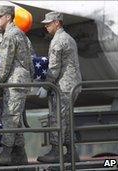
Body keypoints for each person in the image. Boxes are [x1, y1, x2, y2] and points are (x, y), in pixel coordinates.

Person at [0, 5, 34, 165]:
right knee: (16, 119)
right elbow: (30, 60)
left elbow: (6, 62)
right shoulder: (21, 34)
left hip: (14, 81)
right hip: (21, 81)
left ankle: (6, 154)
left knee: (10, 118)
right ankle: (20, 156)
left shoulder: (10, 35)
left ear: (8, 17)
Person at [37, 11, 82, 163]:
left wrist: (46, 86)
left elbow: (54, 68)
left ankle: (56, 152)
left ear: (57, 23)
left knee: (57, 118)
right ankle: (71, 152)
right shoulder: (67, 38)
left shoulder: (58, 40)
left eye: (49, 24)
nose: (46, 27)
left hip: (64, 86)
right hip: (72, 84)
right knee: (66, 119)